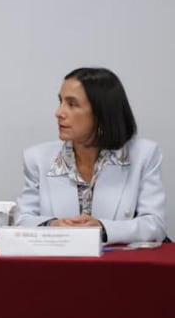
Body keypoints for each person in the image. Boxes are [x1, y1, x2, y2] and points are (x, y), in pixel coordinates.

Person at [15, 67, 166, 244]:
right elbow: (22, 220)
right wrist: (52, 225)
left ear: (102, 114)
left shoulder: (144, 155)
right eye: (61, 101)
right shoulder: (38, 158)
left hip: (119, 266)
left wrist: (102, 228)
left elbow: (155, 225)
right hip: (59, 265)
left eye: (72, 104)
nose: (59, 113)